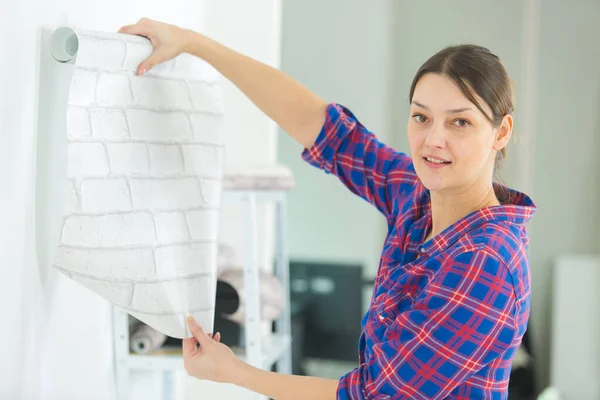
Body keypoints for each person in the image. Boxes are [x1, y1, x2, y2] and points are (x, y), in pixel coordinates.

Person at [118, 18, 537, 400]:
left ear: (501, 132)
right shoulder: (417, 199)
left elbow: (372, 396)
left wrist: (236, 373)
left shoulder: (485, 262)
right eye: (421, 117)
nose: (433, 140)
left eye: (459, 122)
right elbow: (324, 129)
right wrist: (194, 43)